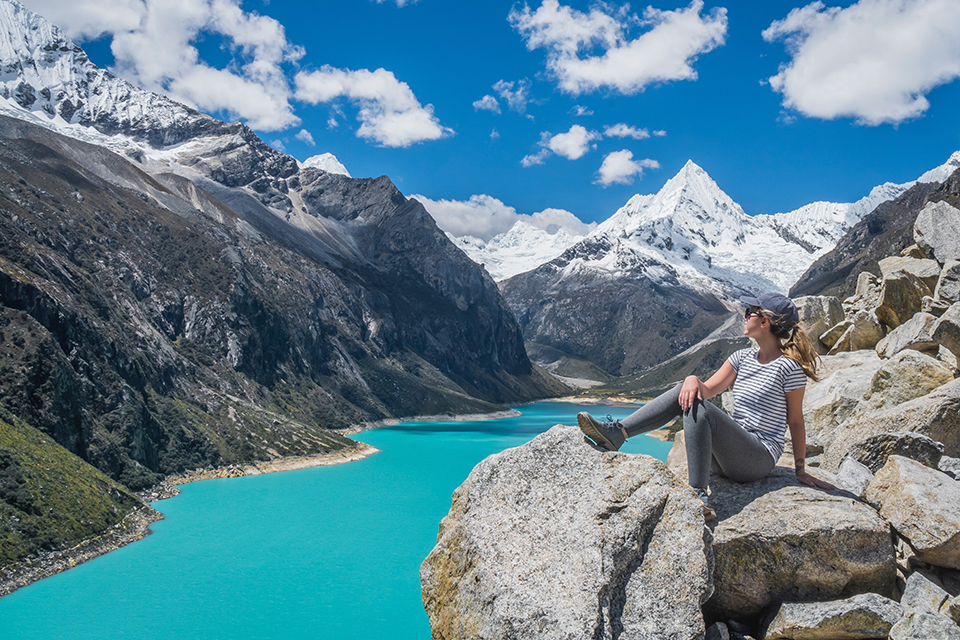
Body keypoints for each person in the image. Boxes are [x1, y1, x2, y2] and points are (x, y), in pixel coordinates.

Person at [577, 292, 834, 521]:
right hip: (726, 455)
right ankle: (618, 432)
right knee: (687, 392)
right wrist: (691, 379)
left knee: (699, 407)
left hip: (757, 458)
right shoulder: (741, 358)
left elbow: (796, 421)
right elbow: (708, 390)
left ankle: (698, 495)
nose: (744, 317)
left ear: (764, 322)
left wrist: (801, 470)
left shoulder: (788, 368)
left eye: (749, 313)